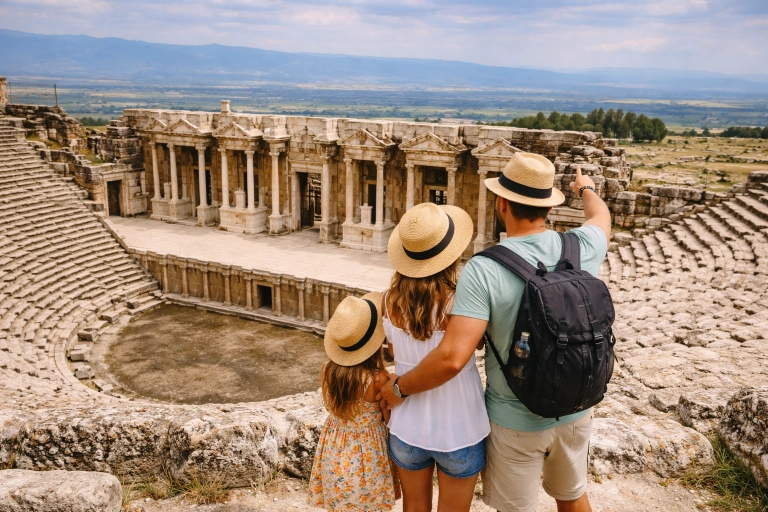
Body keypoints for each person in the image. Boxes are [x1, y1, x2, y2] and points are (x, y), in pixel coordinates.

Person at [380, 153, 611, 512]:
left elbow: (453, 357)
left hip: (514, 417)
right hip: (576, 406)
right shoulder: (582, 246)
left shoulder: (485, 269)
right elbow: (601, 216)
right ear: (548, 205)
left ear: (502, 203)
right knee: (572, 495)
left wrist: (398, 388)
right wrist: (586, 188)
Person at [384, 202, 490, 512]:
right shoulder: (464, 301)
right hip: (460, 426)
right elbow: (477, 344)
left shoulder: (389, 301)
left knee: (414, 508)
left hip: (407, 426)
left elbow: (394, 352)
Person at [308, 292, 401, 512]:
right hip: (368, 455)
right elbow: (388, 418)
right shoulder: (378, 379)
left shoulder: (328, 371)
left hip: (335, 449)